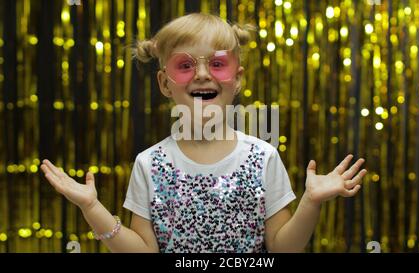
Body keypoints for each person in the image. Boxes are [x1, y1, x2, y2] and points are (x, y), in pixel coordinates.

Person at [40, 13, 367, 253]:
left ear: (237, 79)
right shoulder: (150, 164)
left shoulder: (262, 158)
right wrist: (92, 208)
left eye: (217, 64)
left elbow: (282, 248)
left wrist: (310, 202)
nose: (201, 74)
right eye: (185, 66)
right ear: (165, 83)